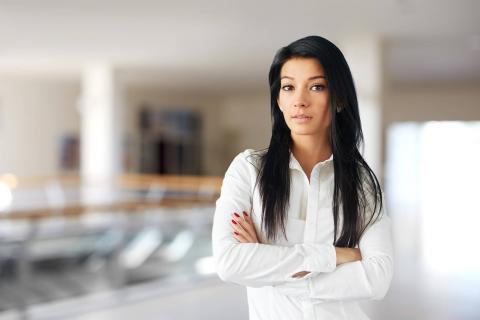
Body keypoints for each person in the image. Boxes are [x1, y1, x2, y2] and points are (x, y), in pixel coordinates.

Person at [211, 35, 393, 320]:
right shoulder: (248, 170)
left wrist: (267, 264)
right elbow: (228, 262)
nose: (300, 100)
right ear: (278, 99)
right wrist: (336, 256)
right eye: (288, 87)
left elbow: (378, 277)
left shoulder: (362, 183)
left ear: (340, 99)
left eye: (316, 86)